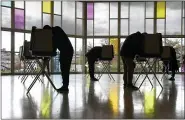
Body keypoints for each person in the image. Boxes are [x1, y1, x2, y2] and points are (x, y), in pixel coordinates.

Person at [42, 25, 74, 92]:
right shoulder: (54, 33)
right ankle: (65, 86)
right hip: (65, 50)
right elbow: (54, 48)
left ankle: (65, 87)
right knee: (64, 68)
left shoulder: (57, 30)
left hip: (67, 50)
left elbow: (54, 47)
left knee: (65, 68)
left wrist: (48, 54)